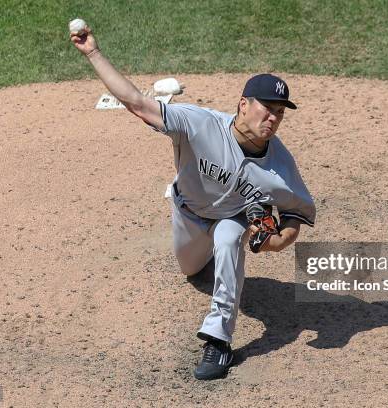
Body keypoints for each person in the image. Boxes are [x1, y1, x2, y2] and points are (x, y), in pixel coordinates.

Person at [70, 24, 316, 380]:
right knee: (191, 270)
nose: (274, 118)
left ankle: (218, 341)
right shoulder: (199, 124)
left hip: (233, 216)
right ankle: (209, 251)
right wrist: (92, 52)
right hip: (187, 212)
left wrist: (280, 240)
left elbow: (296, 215)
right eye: (267, 108)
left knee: (232, 238)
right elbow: (138, 103)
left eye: (280, 111)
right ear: (243, 105)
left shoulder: (281, 166)